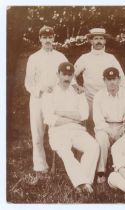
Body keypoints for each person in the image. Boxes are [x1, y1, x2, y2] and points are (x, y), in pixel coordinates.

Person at [42, 62, 99, 194]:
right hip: (58, 131)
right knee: (66, 152)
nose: (67, 78)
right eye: (64, 74)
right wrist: (73, 117)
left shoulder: (78, 92)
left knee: (93, 146)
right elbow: (49, 118)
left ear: (73, 75)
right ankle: (83, 184)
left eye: (70, 75)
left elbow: (84, 114)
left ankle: (84, 182)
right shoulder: (49, 92)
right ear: (58, 75)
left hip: (77, 130)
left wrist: (60, 112)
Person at [24, 25, 68, 176]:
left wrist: (72, 87)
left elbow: (69, 76)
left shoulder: (61, 57)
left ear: (54, 38)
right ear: (40, 39)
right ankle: (40, 166)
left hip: (56, 99)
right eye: (44, 37)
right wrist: (41, 88)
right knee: (37, 132)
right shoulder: (33, 58)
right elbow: (28, 83)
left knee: (57, 130)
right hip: (38, 98)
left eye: (50, 37)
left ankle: (62, 163)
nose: (48, 40)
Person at [74, 28, 125, 133]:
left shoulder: (111, 58)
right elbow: (71, 75)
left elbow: (121, 78)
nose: (98, 41)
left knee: (106, 127)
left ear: (105, 41)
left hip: (107, 98)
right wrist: (76, 87)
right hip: (89, 98)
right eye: (95, 39)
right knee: (89, 127)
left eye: (101, 39)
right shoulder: (84, 58)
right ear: (90, 41)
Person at [93, 67, 125, 184]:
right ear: (104, 81)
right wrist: (109, 131)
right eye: (109, 79)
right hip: (105, 127)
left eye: (114, 79)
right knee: (101, 138)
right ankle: (101, 172)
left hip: (123, 126)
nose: (112, 82)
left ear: (119, 80)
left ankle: (123, 169)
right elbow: (98, 120)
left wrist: (124, 129)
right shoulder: (98, 96)